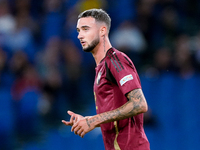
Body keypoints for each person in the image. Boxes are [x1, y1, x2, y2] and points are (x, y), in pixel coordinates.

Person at [62, 8, 150, 150]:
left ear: (102, 31)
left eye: (85, 29)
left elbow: (139, 104)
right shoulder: (100, 68)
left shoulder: (116, 60)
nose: (79, 36)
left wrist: (93, 121)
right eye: (78, 30)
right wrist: (86, 120)